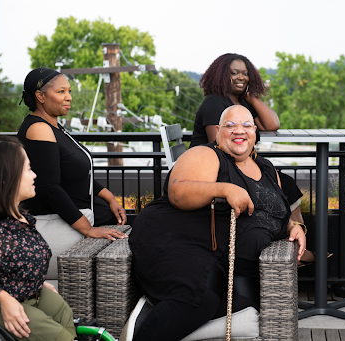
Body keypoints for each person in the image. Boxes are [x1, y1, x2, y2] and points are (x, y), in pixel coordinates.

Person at [130, 105, 306, 341]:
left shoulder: (265, 167)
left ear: (255, 131)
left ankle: (159, 310)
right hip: (182, 243)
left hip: (232, 260)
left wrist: (293, 228)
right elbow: (178, 192)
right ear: (217, 131)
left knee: (245, 303)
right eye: (230, 125)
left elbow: (273, 211)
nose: (238, 131)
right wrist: (224, 189)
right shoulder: (207, 154)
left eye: (245, 125)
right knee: (200, 299)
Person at [190, 53, 314, 265]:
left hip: (239, 167)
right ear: (221, 76)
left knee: (287, 183)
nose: (241, 77)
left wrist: (251, 96)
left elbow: (272, 123)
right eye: (234, 73)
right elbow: (220, 148)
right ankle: (295, 247)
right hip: (217, 174)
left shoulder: (239, 104)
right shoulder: (214, 103)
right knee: (282, 185)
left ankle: (295, 242)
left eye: (246, 73)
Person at [17, 67, 127, 279]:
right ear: (40, 96)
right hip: (66, 218)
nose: (68, 97)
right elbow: (48, 188)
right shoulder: (38, 129)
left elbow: (78, 173)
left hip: (90, 210)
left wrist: (111, 198)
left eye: (69, 91)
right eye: (61, 92)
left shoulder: (55, 127)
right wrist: (87, 229)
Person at [0, 136, 77, 341]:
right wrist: (4, 300)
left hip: (26, 293)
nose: (35, 175)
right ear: (6, 178)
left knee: (64, 312)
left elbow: (14, 264)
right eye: (29, 169)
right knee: (60, 337)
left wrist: (35, 280)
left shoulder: (21, 221)